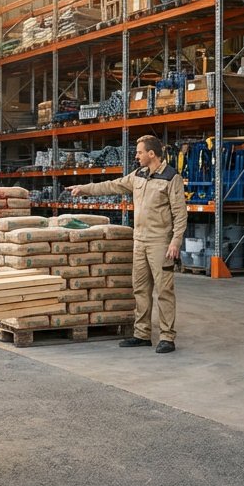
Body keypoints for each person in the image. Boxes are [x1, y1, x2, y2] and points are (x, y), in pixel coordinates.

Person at [67, 135, 187, 354]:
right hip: (139, 240)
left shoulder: (171, 178)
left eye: (140, 152)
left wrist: (175, 241)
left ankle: (167, 337)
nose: (137, 156)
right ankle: (142, 334)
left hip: (160, 242)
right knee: (140, 288)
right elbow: (112, 185)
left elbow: (180, 213)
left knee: (164, 290)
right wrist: (84, 188)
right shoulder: (138, 175)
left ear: (151, 153)